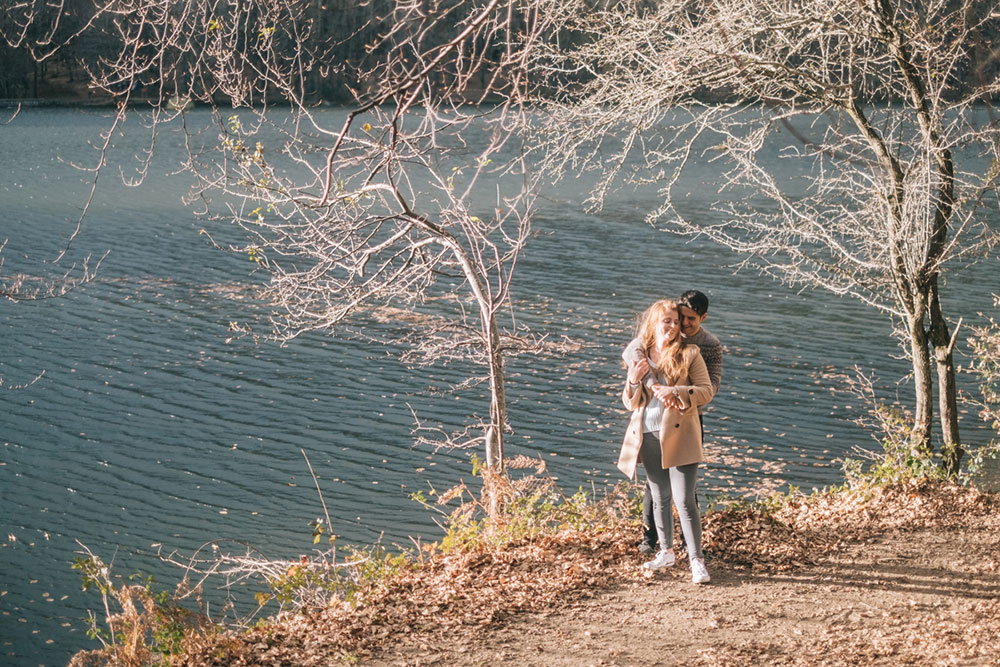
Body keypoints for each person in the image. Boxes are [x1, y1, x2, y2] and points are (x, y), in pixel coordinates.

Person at [617, 299, 715, 584]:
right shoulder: (639, 355)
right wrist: (634, 382)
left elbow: (706, 391)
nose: (673, 326)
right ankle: (666, 552)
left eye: (675, 321)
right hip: (647, 434)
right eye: (667, 321)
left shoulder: (690, 353)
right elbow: (629, 402)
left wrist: (676, 391)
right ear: (654, 323)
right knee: (659, 497)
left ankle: (696, 561)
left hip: (680, 434)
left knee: (685, 501)